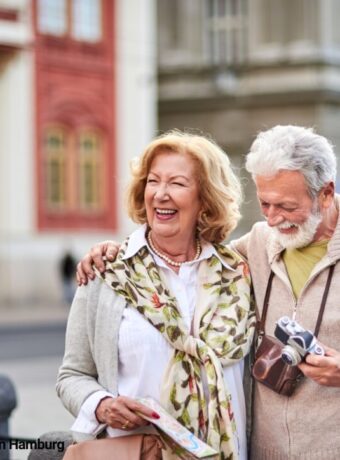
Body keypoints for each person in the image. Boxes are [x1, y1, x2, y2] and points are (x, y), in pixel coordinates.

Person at [77, 125, 340, 459]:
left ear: (326, 194)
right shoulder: (254, 247)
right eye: (265, 204)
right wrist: (115, 251)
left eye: (286, 206)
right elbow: (177, 253)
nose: (273, 219)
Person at [57, 130, 255, 460]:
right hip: (140, 451)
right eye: (153, 181)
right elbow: (72, 375)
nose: (161, 194)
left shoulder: (237, 271)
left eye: (177, 183)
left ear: (204, 198)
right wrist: (102, 406)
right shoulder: (106, 274)